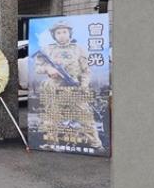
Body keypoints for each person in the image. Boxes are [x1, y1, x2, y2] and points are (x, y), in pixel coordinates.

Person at [35, 21, 103, 150]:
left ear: (69, 33)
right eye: (58, 32)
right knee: (52, 117)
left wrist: (83, 87)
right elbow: (38, 68)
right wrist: (48, 69)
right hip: (54, 89)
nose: (61, 35)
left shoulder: (78, 49)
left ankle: (96, 144)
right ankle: (51, 143)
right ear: (54, 35)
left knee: (85, 117)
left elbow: (86, 71)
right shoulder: (48, 49)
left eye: (64, 32)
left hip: (74, 89)